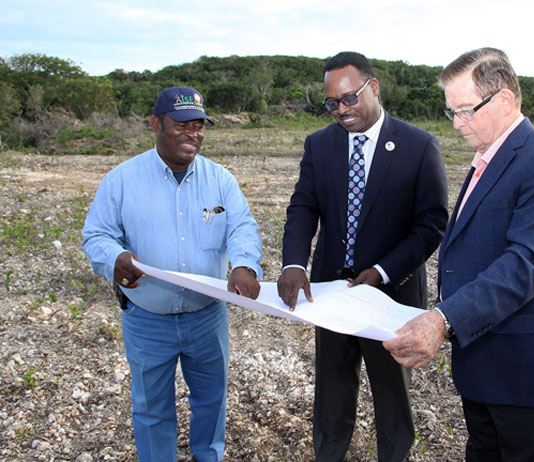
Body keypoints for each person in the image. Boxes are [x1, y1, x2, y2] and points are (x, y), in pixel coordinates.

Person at [384, 47, 534, 461]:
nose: (457, 124)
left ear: (505, 100)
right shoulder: (487, 159)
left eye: (465, 110)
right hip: (483, 369)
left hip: (527, 376)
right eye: (451, 112)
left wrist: (443, 319)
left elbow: (527, 264)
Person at [277, 51, 448, 461]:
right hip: (331, 294)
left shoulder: (418, 146)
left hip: (392, 294)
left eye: (349, 98)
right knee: (332, 388)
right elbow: (303, 207)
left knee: (392, 392)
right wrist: (294, 264)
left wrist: (383, 271)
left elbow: (430, 225)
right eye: (332, 103)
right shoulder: (320, 144)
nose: (341, 110)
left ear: (373, 88)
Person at [82, 86, 263, 462]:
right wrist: (114, 258)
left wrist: (244, 264)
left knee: (211, 402)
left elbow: (242, 227)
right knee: (151, 409)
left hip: (207, 317)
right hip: (148, 319)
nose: (191, 133)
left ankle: (207, 457)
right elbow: (97, 234)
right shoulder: (121, 180)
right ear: (156, 124)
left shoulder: (220, 180)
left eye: (198, 125)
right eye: (181, 124)